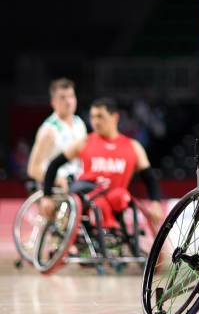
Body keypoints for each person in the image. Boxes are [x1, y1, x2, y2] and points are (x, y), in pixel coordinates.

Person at [39, 98, 163, 230]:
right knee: (97, 200)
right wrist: (47, 196)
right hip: (87, 196)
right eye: (92, 117)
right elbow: (54, 165)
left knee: (123, 196)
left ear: (115, 117)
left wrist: (155, 202)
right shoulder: (85, 142)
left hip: (115, 198)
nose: (95, 122)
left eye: (100, 117)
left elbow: (149, 178)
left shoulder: (133, 146)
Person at [27, 78, 87, 191]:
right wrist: (56, 179)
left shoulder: (79, 123)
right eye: (62, 98)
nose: (68, 102)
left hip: (77, 182)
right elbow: (33, 169)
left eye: (71, 96)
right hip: (57, 187)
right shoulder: (48, 130)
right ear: (53, 102)